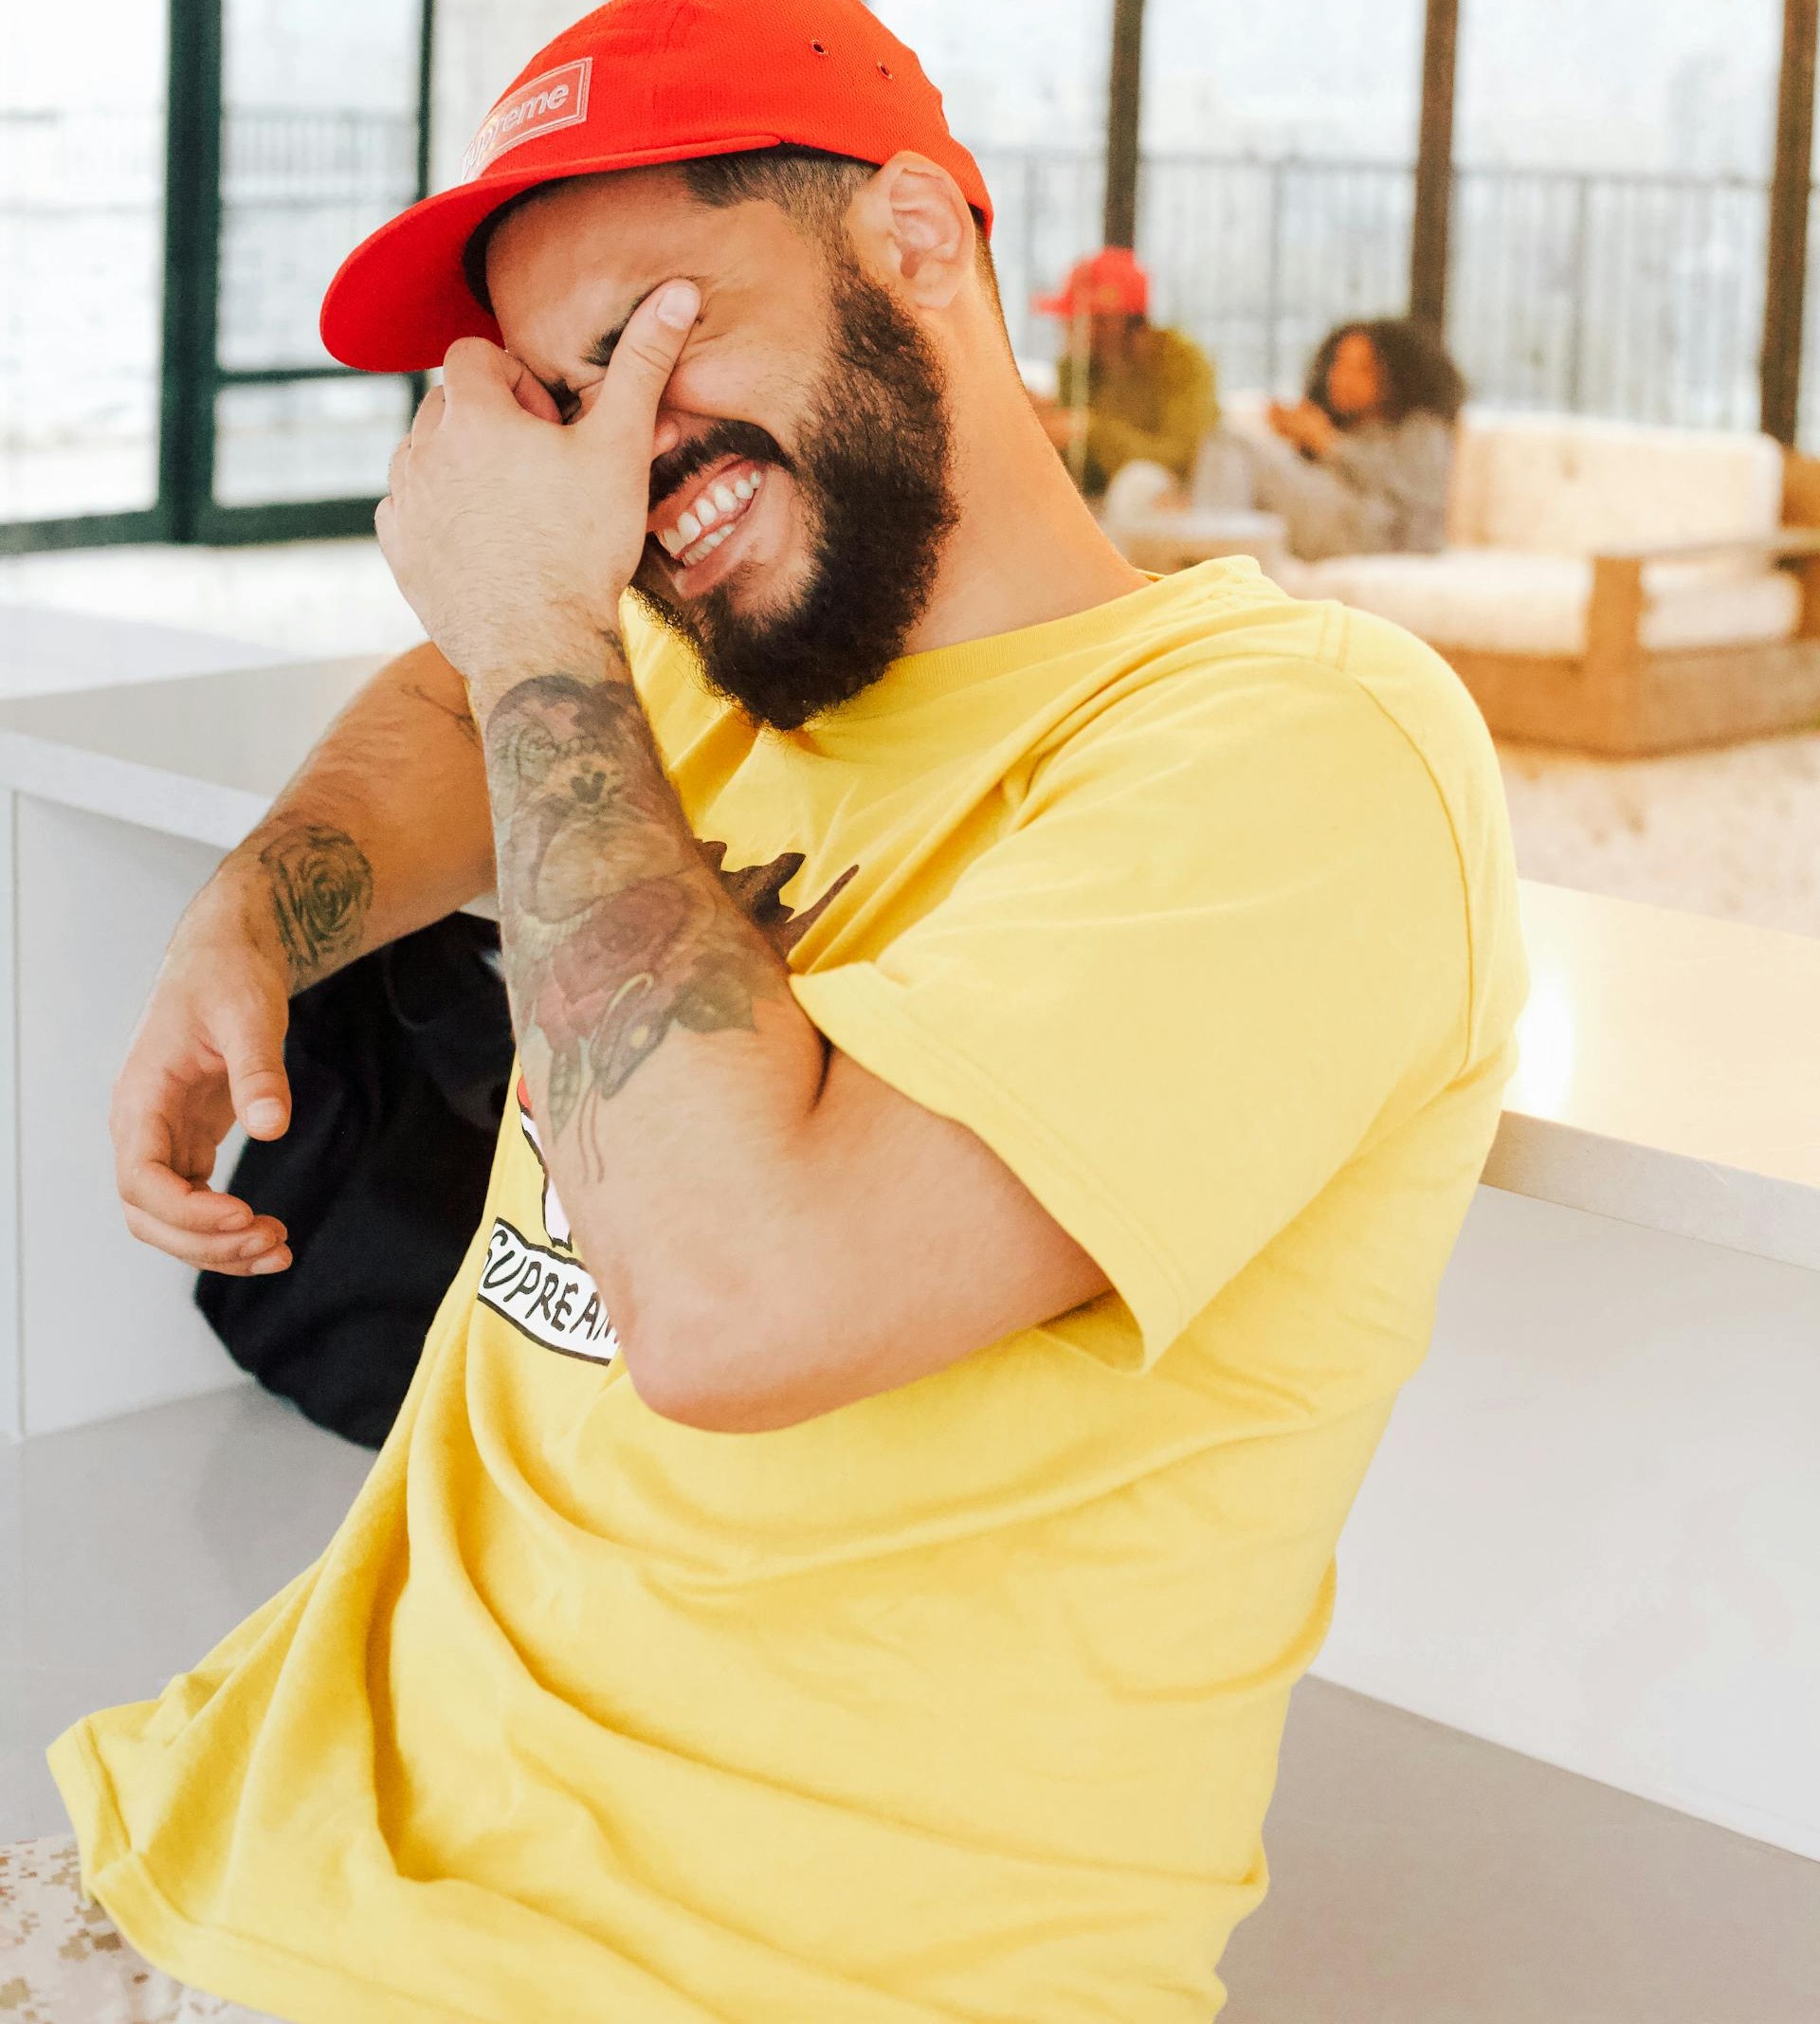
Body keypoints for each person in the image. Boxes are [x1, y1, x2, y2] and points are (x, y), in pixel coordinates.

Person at [12, 2, 1527, 2019]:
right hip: (230, 1828)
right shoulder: (720, 672)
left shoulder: (1306, 750)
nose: (620, 460)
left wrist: (540, 605)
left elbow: (736, 1304)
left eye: (657, 330)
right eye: (565, 402)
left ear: (914, 233)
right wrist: (261, 913)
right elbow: (457, 701)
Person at [1196, 315, 1468, 561]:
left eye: (1361, 369)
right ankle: (1205, 547)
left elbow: (1416, 505)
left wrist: (1328, 443)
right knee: (1230, 447)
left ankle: (1205, 560)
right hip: (1337, 519)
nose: (1341, 378)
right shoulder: (1350, 426)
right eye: (1338, 364)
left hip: (1376, 534)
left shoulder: (1422, 429)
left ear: (1399, 378)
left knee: (1231, 445)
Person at [1033, 245, 1219, 498]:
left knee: (1139, 483)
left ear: (1112, 322)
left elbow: (1183, 458)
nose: (1064, 326)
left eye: (1074, 317)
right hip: (1107, 502)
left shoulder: (1181, 360)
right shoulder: (1076, 368)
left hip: (1188, 495)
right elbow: (1080, 474)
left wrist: (1092, 431)